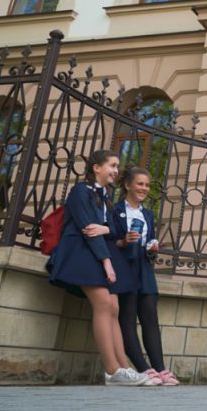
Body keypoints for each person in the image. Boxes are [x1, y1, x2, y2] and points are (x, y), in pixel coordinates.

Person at [47, 150, 151, 386]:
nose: (116, 170)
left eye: (116, 166)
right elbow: (87, 229)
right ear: (96, 167)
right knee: (104, 303)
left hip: (98, 251)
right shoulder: (80, 192)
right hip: (82, 252)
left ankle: (123, 367)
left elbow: (113, 230)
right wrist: (106, 262)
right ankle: (111, 370)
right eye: (112, 165)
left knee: (113, 305)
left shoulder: (105, 197)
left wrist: (106, 230)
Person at [113, 167, 179, 386]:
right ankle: (144, 369)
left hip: (143, 265)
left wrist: (152, 245)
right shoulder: (114, 210)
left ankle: (161, 369)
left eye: (147, 185)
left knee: (150, 315)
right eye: (140, 183)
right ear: (127, 185)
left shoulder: (148, 213)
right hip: (124, 265)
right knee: (128, 317)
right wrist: (123, 241)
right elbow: (108, 241)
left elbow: (149, 238)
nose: (144, 188)